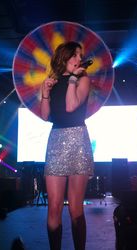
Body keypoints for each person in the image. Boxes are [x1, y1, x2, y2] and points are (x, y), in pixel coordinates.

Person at [41, 41, 94, 250]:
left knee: (75, 209)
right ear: (65, 56)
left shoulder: (83, 80)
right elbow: (46, 116)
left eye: (81, 56)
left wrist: (73, 78)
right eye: (76, 55)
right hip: (56, 142)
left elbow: (71, 106)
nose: (80, 59)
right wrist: (45, 91)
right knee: (53, 208)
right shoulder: (51, 82)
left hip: (78, 141)